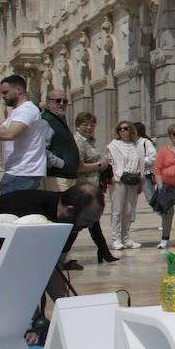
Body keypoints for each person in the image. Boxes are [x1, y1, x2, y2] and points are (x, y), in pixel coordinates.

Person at [0, 184, 106, 343]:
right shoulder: (31, 214)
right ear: (70, 210)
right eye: (87, 222)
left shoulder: (71, 223)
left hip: (11, 264)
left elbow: (54, 268)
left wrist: (72, 312)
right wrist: (33, 320)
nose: (88, 227)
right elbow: (16, 272)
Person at [0, 75, 48, 193]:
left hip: (23, 173)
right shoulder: (17, 112)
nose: (2, 96)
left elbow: (10, 134)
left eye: (5, 92)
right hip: (16, 172)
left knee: (13, 210)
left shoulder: (27, 110)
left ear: (18, 90)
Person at [69, 112, 117, 264]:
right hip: (83, 188)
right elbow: (78, 166)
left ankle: (103, 251)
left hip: (92, 187)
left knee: (91, 221)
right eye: (85, 124)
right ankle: (62, 253)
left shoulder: (89, 141)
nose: (89, 128)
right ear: (78, 125)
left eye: (92, 125)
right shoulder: (78, 141)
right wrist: (99, 165)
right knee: (80, 222)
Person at [105, 121, 146, 250]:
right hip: (119, 180)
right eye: (120, 129)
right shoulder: (113, 145)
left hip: (133, 179)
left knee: (128, 211)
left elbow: (141, 164)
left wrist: (141, 180)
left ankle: (126, 238)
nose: (123, 131)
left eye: (126, 128)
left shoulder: (137, 145)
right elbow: (110, 162)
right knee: (117, 210)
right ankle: (116, 238)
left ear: (131, 130)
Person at [152, 124, 175, 250]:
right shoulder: (164, 151)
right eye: (174, 134)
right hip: (167, 186)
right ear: (170, 136)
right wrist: (160, 186)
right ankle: (164, 238)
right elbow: (157, 169)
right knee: (167, 213)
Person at [41, 88, 79, 192]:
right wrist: (60, 163)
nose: (61, 104)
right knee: (59, 207)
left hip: (68, 177)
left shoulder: (59, 120)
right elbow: (41, 149)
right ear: (48, 102)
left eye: (65, 101)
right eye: (57, 101)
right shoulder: (46, 120)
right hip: (57, 177)